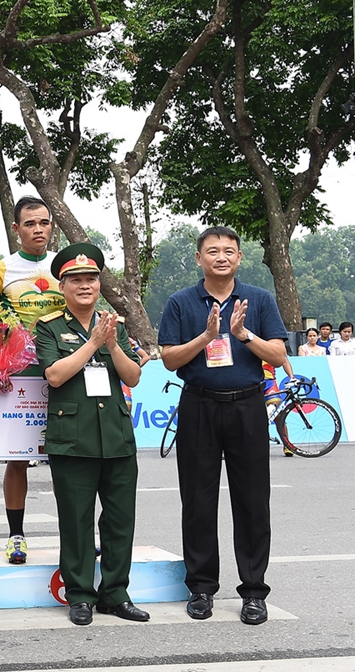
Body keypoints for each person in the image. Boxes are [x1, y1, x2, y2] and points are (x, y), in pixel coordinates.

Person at [158, 226, 287, 626]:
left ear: (239, 258)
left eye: (229, 251)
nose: (221, 257)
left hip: (247, 406)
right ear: (199, 258)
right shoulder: (181, 302)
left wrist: (242, 334)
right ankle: (201, 587)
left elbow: (278, 354)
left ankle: (254, 591)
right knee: (198, 500)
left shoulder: (259, 299)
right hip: (199, 405)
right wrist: (206, 337)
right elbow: (169, 359)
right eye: (212, 251)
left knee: (252, 501)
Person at [35, 243, 149, 626]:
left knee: (120, 521)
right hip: (72, 439)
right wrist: (94, 343)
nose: (85, 286)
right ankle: (81, 594)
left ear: (99, 284)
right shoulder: (49, 326)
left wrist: (112, 344)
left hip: (116, 436)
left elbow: (133, 376)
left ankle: (115, 594)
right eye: (76, 280)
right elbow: (55, 375)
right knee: (76, 521)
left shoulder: (115, 325)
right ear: (62, 286)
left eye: (91, 279)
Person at [0, 196, 66, 566]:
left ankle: (74, 535)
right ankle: (16, 536)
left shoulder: (65, 266)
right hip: (19, 376)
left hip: (63, 370)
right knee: (17, 460)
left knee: (67, 459)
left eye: (44, 222)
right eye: (30, 224)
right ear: (16, 229)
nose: (38, 230)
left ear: (52, 226)